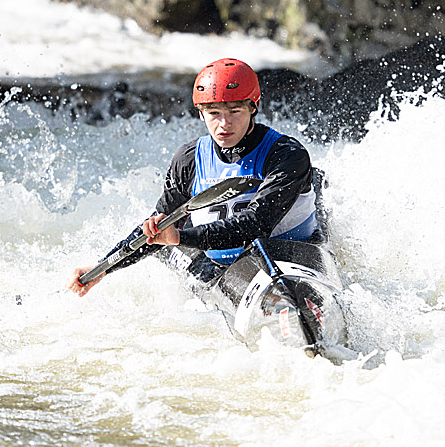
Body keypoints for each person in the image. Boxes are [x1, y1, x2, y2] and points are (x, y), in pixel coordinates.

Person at [67, 57, 323, 296]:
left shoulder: (286, 155)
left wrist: (181, 238)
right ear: (200, 113)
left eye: (235, 111)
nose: (224, 124)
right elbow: (161, 226)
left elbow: (257, 224)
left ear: (253, 108)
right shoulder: (189, 160)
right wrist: (102, 268)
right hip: (225, 266)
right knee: (169, 247)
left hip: (289, 253)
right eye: (213, 113)